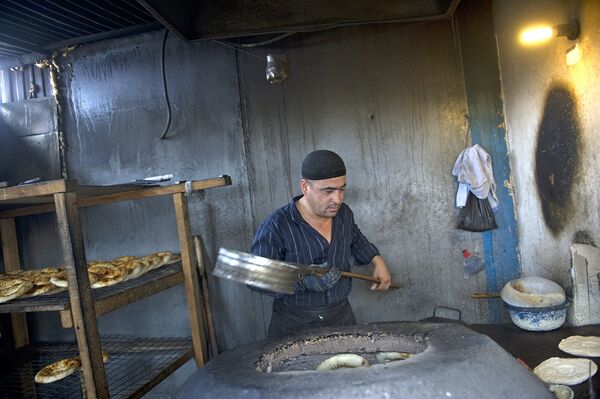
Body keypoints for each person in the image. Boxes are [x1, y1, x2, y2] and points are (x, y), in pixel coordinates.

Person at [250, 149, 392, 338]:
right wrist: (302, 280)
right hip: (294, 325)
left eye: (342, 189)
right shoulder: (277, 225)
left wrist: (378, 261)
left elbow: (355, 238)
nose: (338, 199)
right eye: (328, 191)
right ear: (305, 187)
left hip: (341, 317)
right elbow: (256, 277)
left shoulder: (343, 214)